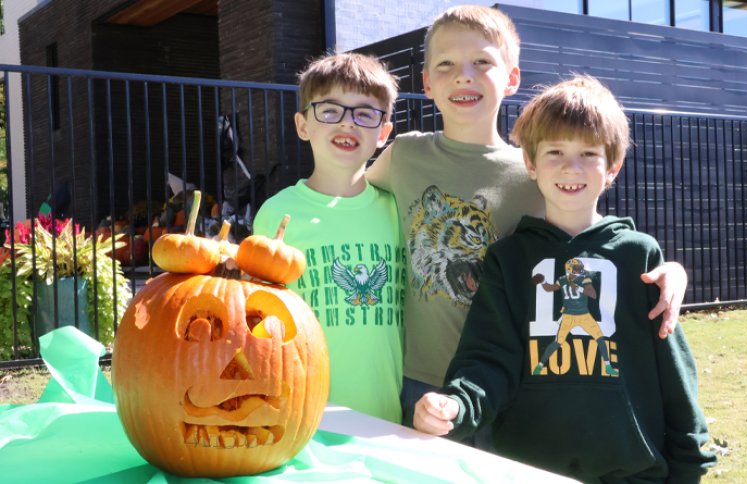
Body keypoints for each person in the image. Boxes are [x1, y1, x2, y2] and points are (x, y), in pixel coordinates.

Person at [365, 4, 687, 423]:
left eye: (482, 62)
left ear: (512, 78)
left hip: (511, 383)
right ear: (426, 82)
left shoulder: (538, 169)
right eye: (446, 64)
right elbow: (346, 203)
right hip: (421, 381)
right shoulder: (403, 155)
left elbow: (593, 242)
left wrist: (671, 270)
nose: (463, 75)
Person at [411, 75, 717, 482]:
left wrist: (690, 462)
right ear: (531, 163)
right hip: (527, 472)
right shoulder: (508, 259)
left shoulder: (639, 256)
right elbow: (488, 359)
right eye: (555, 151)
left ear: (612, 167)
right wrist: (457, 405)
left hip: (632, 473)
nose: (571, 167)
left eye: (588, 153)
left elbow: (673, 371)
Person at [253, 53, 404, 423]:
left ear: (383, 133)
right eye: (331, 110)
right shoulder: (277, 213)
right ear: (303, 125)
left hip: (389, 417)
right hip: (305, 417)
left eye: (365, 114)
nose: (347, 123)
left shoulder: (398, 209)